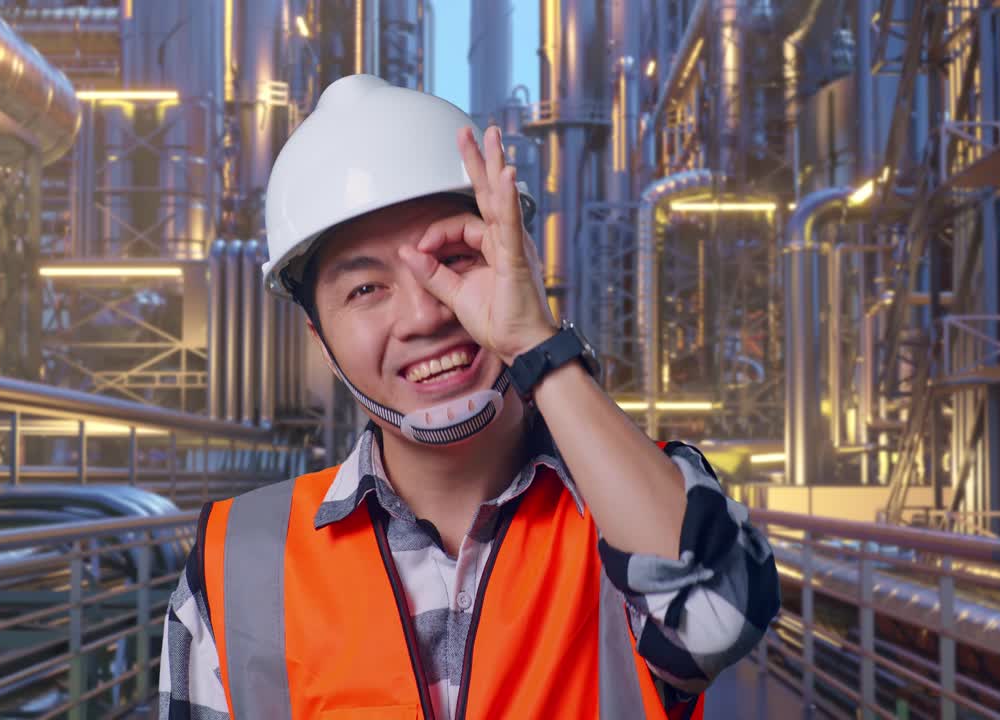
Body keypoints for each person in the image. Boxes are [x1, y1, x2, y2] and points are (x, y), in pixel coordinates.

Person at [157, 74, 780, 720]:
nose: (426, 315)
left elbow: (723, 616)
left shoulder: (633, 504)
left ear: (519, 258)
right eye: (366, 289)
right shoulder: (239, 563)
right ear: (319, 335)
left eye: (453, 258)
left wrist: (536, 345)